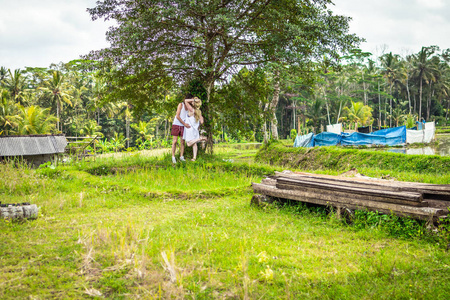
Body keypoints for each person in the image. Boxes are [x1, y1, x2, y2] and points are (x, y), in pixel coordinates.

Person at [171, 94, 192, 163]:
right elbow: (177, 116)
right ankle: (173, 157)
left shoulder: (189, 108)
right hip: (177, 124)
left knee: (182, 142)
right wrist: (184, 124)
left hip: (183, 126)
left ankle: (181, 156)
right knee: (175, 141)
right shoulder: (181, 105)